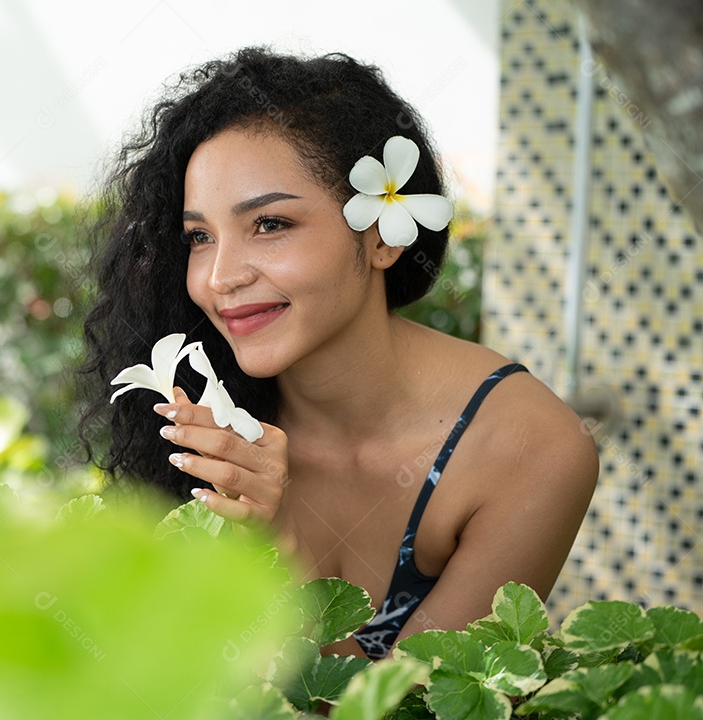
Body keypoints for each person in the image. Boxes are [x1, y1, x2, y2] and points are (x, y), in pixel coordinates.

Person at [77, 46, 598, 660]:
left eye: (270, 224)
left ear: (381, 235)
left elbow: (412, 705)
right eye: (199, 236)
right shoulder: (202, 419)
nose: (219, 278)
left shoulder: (529, 449)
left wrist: (279, 547)